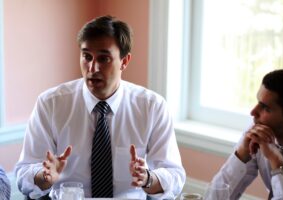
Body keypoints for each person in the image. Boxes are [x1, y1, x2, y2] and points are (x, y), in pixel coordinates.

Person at [15, 15, 185, 199]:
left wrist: (148, 178)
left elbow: (174, 175)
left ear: (125, 61)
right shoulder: (51, 104)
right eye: (87, 56)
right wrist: (45, 177)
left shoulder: (152, 107)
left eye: (103, 59)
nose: (93, 67)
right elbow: (24, 172)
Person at [210, 68, 283, 199]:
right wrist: (241, 155)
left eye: (265, 108)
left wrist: (278, 162)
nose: (253, 112)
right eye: (258, 102)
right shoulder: (259, 133)